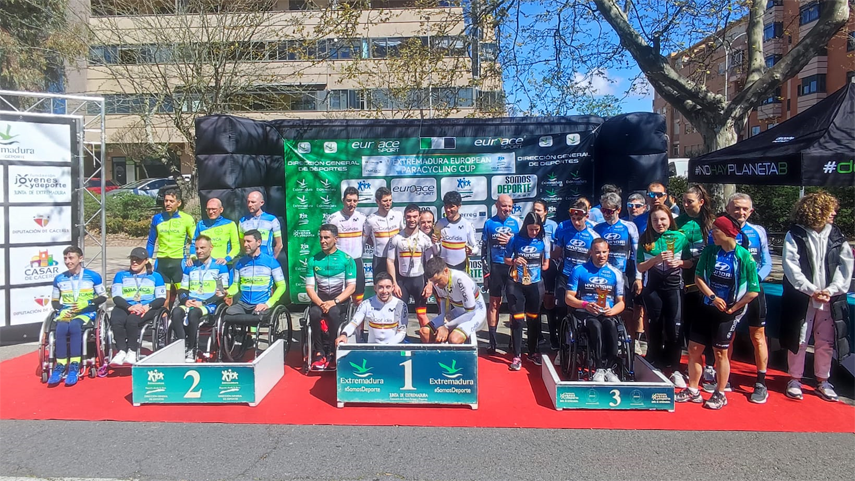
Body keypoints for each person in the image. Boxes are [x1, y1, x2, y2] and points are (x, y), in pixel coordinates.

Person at [676, 216, 759, 410]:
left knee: (720, 352)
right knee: (694, 349)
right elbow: (698, 277)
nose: (712, 233)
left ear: (728, 232)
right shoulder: (710, 251)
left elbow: (753, 290)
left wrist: (734, 308)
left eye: (716, 230)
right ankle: (693, 389)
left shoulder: (744, 256)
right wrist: (712, 297)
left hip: (728, 311)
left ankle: (720, 392)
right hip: (707, 305)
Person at [781, 192, 853, 402]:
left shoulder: (837, 235)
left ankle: (823, 380)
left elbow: (845, 265)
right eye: (830, 209)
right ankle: (794, 379)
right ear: (816, 211)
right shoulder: (795, 234)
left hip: (830, 298)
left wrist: (832, 290)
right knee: (800, 338)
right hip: (802, 297)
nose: (834, 213)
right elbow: (791, 265)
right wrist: (811, 290)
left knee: (826, 340)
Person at [703, 193, 774, 400]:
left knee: (758, 336)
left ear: (751, 211)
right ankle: (725, 378)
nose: (740, 212)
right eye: (736, 208)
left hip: (752, 291)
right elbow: (711, 260)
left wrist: (752, 280)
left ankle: (761, 382)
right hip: (727, 293)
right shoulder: (717, 231)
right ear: (728, 208)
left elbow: (766, 261)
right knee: (727, 337)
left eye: (745, 209)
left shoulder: (758, 231)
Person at [637, 204, 693, 386]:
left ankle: (675, 367)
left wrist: (679, 262)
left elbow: (689, 262)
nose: (659, 223)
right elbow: (639, 267)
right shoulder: (645, 238)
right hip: (653, 288)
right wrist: (655, 259)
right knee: (655, 325)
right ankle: (654, 362)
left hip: (674, 287)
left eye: (663, 219)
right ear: (650, 222)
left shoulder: (680, 237)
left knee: (674, 328)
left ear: (670, 219)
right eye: (655, 220)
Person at [565, 239, 626, 383]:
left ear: (608, 252)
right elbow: (568, 298)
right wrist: (585, 304)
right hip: (586, 312)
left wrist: (612, 310)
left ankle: (610, 368)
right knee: (596, 326)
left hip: (606, 312)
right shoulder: (579, 270)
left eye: (604, 252)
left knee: (611, 325)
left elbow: (621, 302)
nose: (601, 255)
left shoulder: (616, 273)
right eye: (597, 252)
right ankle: (598, 368)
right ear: (591, 252)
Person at [47, 246, 107, 386]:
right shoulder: (59, 278)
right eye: (65, 258)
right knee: (61, 327)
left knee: (74, 325)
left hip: (86, 312)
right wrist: (61, 310)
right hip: (67, 312)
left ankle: (74, 364)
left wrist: (88, 302)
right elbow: (54, 301)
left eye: (71, 258)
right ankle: (60, 365)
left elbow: (103, 296)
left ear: (80, 258)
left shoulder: (93, 276)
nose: (68, 261)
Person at [676, 184, 715, 385]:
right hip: (684, 276)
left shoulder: (711, 222)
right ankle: (691, 364)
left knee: (708, 322)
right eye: (683, 201)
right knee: (688, 321)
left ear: (701, 202)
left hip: (706, 278)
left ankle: (710, 365)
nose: (685, 205)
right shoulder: (677, 222)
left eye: (689, 202)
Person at [224, 229, 287, 353]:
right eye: (244, 241)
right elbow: (235, 286)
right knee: (228, 313)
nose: (245, 244)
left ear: (258, 242)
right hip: (243, 304)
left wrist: (267, 304)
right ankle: (243, 339)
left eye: (249, 241)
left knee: (255, 316)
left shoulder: (271, 262)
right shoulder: (239, 263)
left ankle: (250, 339)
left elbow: (282, 286)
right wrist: (227, 292)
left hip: (261, 304)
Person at [305, 224, 357, 370]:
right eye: (321, 238)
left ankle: (333, 352)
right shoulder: (313, 260)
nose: (323, 241)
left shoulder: (347, 259)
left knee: (334, 313)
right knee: (314, 313)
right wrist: (321, 303)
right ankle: (319, 351)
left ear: (336, 239)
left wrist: (334, 301)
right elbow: (309, 287)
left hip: (339, 299)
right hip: (320, 299)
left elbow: (351, 287)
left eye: (326, 238)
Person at [170, 235, 230, 361]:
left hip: (209, 304)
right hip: (191, 302)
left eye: (202, 248)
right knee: (176, 312)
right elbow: (182, 289)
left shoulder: (219, 266)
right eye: (197, 248)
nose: (199, 251)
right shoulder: (190, 266)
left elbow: (221, 292)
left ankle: (191, 349)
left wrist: (203, 302)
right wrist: (185, 300)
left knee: (194, 313)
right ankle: (182, 345)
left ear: (211, 248)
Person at [504, 212, 550, 370]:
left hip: (535, 284)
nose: (534, 232)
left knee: (533, 319)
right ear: (525, 227)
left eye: (537, 229)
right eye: (531, 229)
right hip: (516, 283)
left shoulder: (543, 240)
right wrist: (515, 261)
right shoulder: (515, 238)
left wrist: (534, 266)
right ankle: (517, 356)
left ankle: (532, 352)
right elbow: (506, 259)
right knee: (517, 319)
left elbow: (546, 264)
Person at [593, 192, 640, 339]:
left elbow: (637, 253)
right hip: (602, 273)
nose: (605, 214)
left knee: (626, 308)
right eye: (603, 210)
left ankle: (631, 341)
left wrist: (638, 277)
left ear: (618, 210)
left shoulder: (629, 226)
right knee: (602, 305)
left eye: (609, 211)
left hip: (623, 273)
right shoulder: (597, 228)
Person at [387, 204, 437, 340]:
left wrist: (430, 284)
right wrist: (394, 283)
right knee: (399, 315)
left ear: (419, 217)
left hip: (419, 281)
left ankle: (430, 342)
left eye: (415, 216)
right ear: (405, 217)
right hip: (402, 282)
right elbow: (390, 261)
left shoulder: (425, 239)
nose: (412, 219)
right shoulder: (396, 238)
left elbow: (430, 264)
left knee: (421, 315)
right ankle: (400, 341)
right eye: (409, 216)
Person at [110, 247, 167, 366]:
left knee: (132, 320)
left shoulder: (156, 276)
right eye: (132, 259)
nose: (134, 262)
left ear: (146, 261)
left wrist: (147, 306)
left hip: (147, 307)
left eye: (138, 260)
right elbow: (116, 297)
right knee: (116, 319)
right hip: (126, 305)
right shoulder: (121, 275)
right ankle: (121, 351)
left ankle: (132, 350)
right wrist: (129, 307)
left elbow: (161, 298)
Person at [553, 200, 600, 332]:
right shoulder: (564, 229)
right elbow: (556, 253)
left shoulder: (593, 235)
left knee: (580, 308)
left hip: (583, 276)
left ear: (586, 216)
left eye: (579, 219)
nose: (576, 222)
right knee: (561, 306)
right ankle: (561, 337)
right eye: (573, 218)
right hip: (566, 273)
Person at [481, 194, 520, 352]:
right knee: (494, 304)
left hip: (512, 268)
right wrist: (486, 273)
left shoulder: (517, 222)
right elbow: (484, 250)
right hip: (496, 268)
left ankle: (513, 340)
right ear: (497, 205)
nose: (507, 209)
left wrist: (511, 240)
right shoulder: (489, 223)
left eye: (510, 206)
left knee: (513, 305)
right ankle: (492, 342)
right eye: (504, 206)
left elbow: (523, 245)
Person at [421, 257, 486, 344]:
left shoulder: (461, 280)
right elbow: (444, 312)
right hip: (458, 312)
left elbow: (470, 314)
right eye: (433, 281)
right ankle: (438, 352)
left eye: (438, 280)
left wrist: (446, 327)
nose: (436, 285)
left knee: (454, 339)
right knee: (424, 332)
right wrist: (444, 325)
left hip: (475, 313)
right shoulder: (436, 282)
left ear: (446, 271)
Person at [146, 188, 195, 302]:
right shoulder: (157, 218)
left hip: (179, 262)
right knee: (163, 300)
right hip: (161, 262)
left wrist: (192, 256)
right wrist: (148, 259)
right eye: (166, 201)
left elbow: (195, 240)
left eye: (171, 201)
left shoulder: (187, 219)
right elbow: (151, 241)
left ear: (179, 203)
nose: (168, 203)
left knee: (184, 298)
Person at [336, 272, 408, 346]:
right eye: (380, 287)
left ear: (393, 288)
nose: (384, 291)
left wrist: (388, 346)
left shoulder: (401, 305)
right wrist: (344, 334)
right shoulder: (366, 304)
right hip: (371, 349)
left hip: (393, 348)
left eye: (388, 287)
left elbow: (402, 331)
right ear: (375, 288)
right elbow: (353, 323)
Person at [327, 186, 368, 303]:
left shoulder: (362, 218)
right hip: (339, 261)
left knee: (358, 296)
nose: (352, 204)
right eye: (349, 200)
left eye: (355, 201)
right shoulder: (333, 218)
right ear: (343, 200)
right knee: (339, 295)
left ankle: (357, 314)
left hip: (356, 261)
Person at [533, 199, 560, 350]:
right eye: (534, 210)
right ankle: (538, 336)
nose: (536, 212)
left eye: (538, 210)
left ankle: (553, 337)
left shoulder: (553, 225)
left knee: (549, 303)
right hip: (533, 267)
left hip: (549, 267)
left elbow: (557, 247)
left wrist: (548, 258)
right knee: (535, 303)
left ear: (545, 212)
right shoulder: (529, 223)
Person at [435, 191, 479, 272]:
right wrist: (435, 242)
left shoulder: (467, 224)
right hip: (444, 267)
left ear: (459, 206)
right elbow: (435, 246)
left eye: (451, 206)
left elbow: (476, 247)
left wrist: (471, 251)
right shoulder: (439, 223)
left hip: (461, 267)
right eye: (446, 206)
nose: (448, 209)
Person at [188, 198, 240, 266]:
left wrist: (226, 259)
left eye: (214, 209)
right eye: (208, 209)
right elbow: (194, 244)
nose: (211, 212)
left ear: (221, 209)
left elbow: (236, 247)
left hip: (224, 264)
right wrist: (193, 257)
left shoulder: (230, 224)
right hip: (204, 264)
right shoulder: (201, 225)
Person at [364, 186, 403, 276]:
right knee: (380, 284)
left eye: (390, 200)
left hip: (396, 257)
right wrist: (375, 244)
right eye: (385, 201)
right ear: (377, 201)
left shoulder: (398, 215)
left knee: (397, 284)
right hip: (379, 259)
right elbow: (365, 238)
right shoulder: (371, 219)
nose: (388, 203)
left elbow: (403, 233)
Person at [239, 190, 283, 257]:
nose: (250, 205)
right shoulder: (242, 221)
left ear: (261, 203)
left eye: (253, 202)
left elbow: (279, 244)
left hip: (266, 258)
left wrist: (272, 260)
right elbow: (242, 244)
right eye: (248, 202)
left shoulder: (272, 220)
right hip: (249, 260)